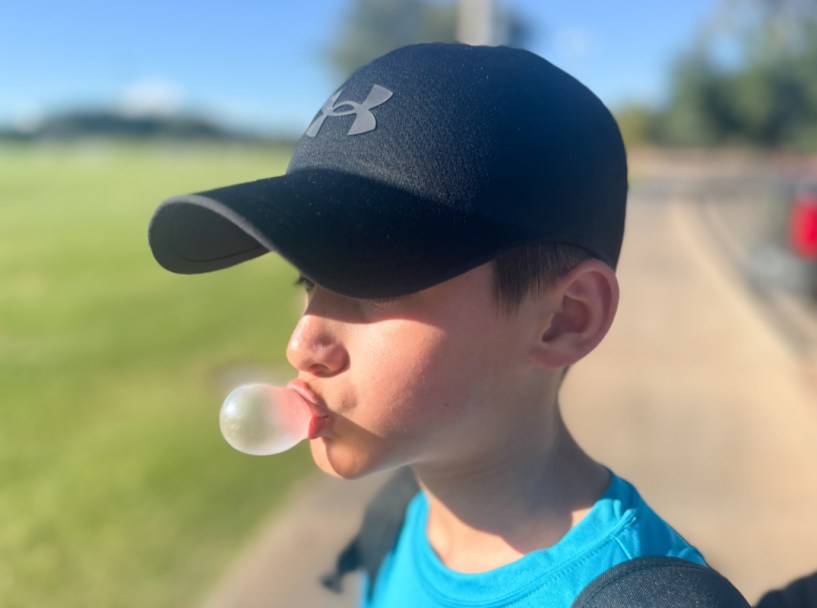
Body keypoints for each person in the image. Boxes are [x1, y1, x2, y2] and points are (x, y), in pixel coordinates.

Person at [147, 43, 747, 606]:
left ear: (566, 319)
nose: (303, 344)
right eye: (309, 282)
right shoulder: (398, 519)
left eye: (371, 287)